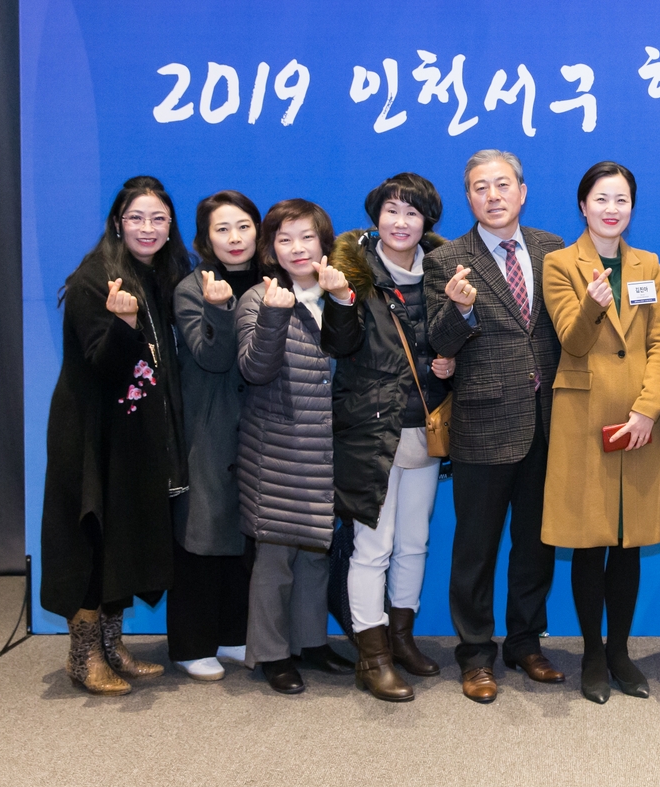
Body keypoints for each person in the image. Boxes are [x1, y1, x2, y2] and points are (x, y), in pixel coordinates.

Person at [423, 149, 565, 703]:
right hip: (484, 421)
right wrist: (458, 310)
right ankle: (476, 654)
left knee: (536, 544)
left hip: (548, 420)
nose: (493, 195)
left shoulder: (553, 249)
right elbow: (438, 343)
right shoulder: (448, 260)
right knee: (476, 548)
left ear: (522, 192)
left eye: (503, 185)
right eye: (480, 187)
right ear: (469, 198)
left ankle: (525, 642)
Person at [40, 176, 189, 695]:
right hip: (91, 431)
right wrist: (124, 324)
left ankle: (111, 643)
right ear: (118, 223)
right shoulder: (95, 279)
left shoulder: (162, 275)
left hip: (135, 432)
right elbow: (101, 366)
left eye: (159, 219)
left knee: (123, 535)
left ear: (170, 227)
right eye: (137, 218)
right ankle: (83, 655)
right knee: (93, 534)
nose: (148, 228)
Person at [542, 162, 660, 704]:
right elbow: (572, 343)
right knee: (591, 538)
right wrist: (593, 305)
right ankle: (593, 654)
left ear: (632, 207)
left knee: (628, 540)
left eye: (621, 199)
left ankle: (620, 651)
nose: (611, 209)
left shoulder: (649, 264)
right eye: (601, 199)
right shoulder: (559, 263)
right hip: (584, 417)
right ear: (583, 205)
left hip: (638, 421)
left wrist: (648, 409)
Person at [323, 173, 455, 702]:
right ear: (376, 217)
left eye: (412, 213)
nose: (401, 222)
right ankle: (372, 656)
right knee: (372, 547)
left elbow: (447, 342)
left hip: (424, 426)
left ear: (427, 222)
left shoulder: (443, 273)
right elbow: (340, 345)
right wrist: (339, 299)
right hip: (369, 429)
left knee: (414, 542)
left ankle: (401, 639)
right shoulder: (353, 272)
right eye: (391, 211)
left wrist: (448, 362)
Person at [236, 199, 354, 694]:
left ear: (324, 242)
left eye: (307, 237)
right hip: (278, 451)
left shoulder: (340, 292)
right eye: (284, 239)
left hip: (329, 448)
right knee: (275, 558)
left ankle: (311, 642)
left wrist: (343, 300)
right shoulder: (258, 297)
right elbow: (253, 370)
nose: (297, 248)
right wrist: (273, 315)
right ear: (271, 249)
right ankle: (271, 653)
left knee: (315, 552)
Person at [168, 190, 264, 680]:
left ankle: (231, 634)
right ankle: (191, 643)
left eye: (243, 226)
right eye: (222, 229)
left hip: (262, 425)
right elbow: (213, 357)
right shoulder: (192, 287)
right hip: (209, 425)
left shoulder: (271, 282)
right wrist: (219, 309)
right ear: (205, 238)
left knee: (245, 534)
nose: (234, 237)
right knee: (202, 531)